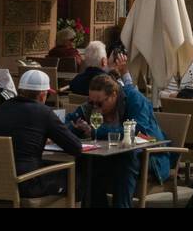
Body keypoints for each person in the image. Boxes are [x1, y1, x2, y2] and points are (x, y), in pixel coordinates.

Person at [66, 62, 170, 208]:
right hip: (111, 157)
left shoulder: (134, 99)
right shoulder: (94, 104)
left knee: (127, 156)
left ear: (114, 95)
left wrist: (97, 131)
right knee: (87, 161)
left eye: (100, 104)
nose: (95, 107)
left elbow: (137, 130)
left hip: (151, 158)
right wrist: (75, 127)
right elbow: (69, 120)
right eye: (92, 102)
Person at [0, 68, 84, 197]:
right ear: (42, 95)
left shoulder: (3, 107)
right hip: (25, 184)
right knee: (77, 177)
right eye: (48, 95)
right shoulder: (44, 112)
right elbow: (76, 147)